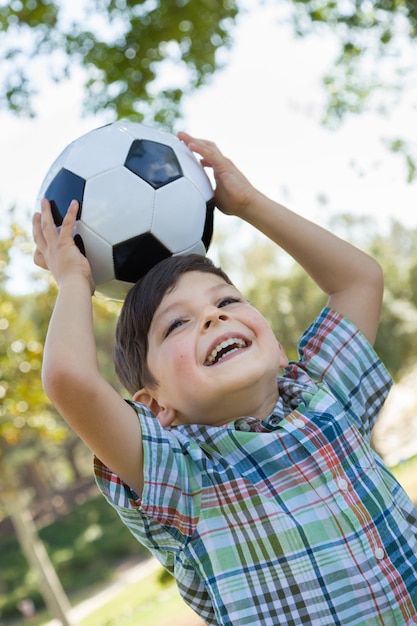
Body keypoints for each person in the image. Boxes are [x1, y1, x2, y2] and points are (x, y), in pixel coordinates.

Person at [32, 133, 417, 626]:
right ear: (154, 407)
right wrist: (72, 281)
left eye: (227, 302)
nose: (213, 319)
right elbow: (69, 378)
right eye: (178, 323)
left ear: (278, 347)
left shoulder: (325, 399)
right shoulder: (182, 475)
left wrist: (249, 203)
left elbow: (359, 279)